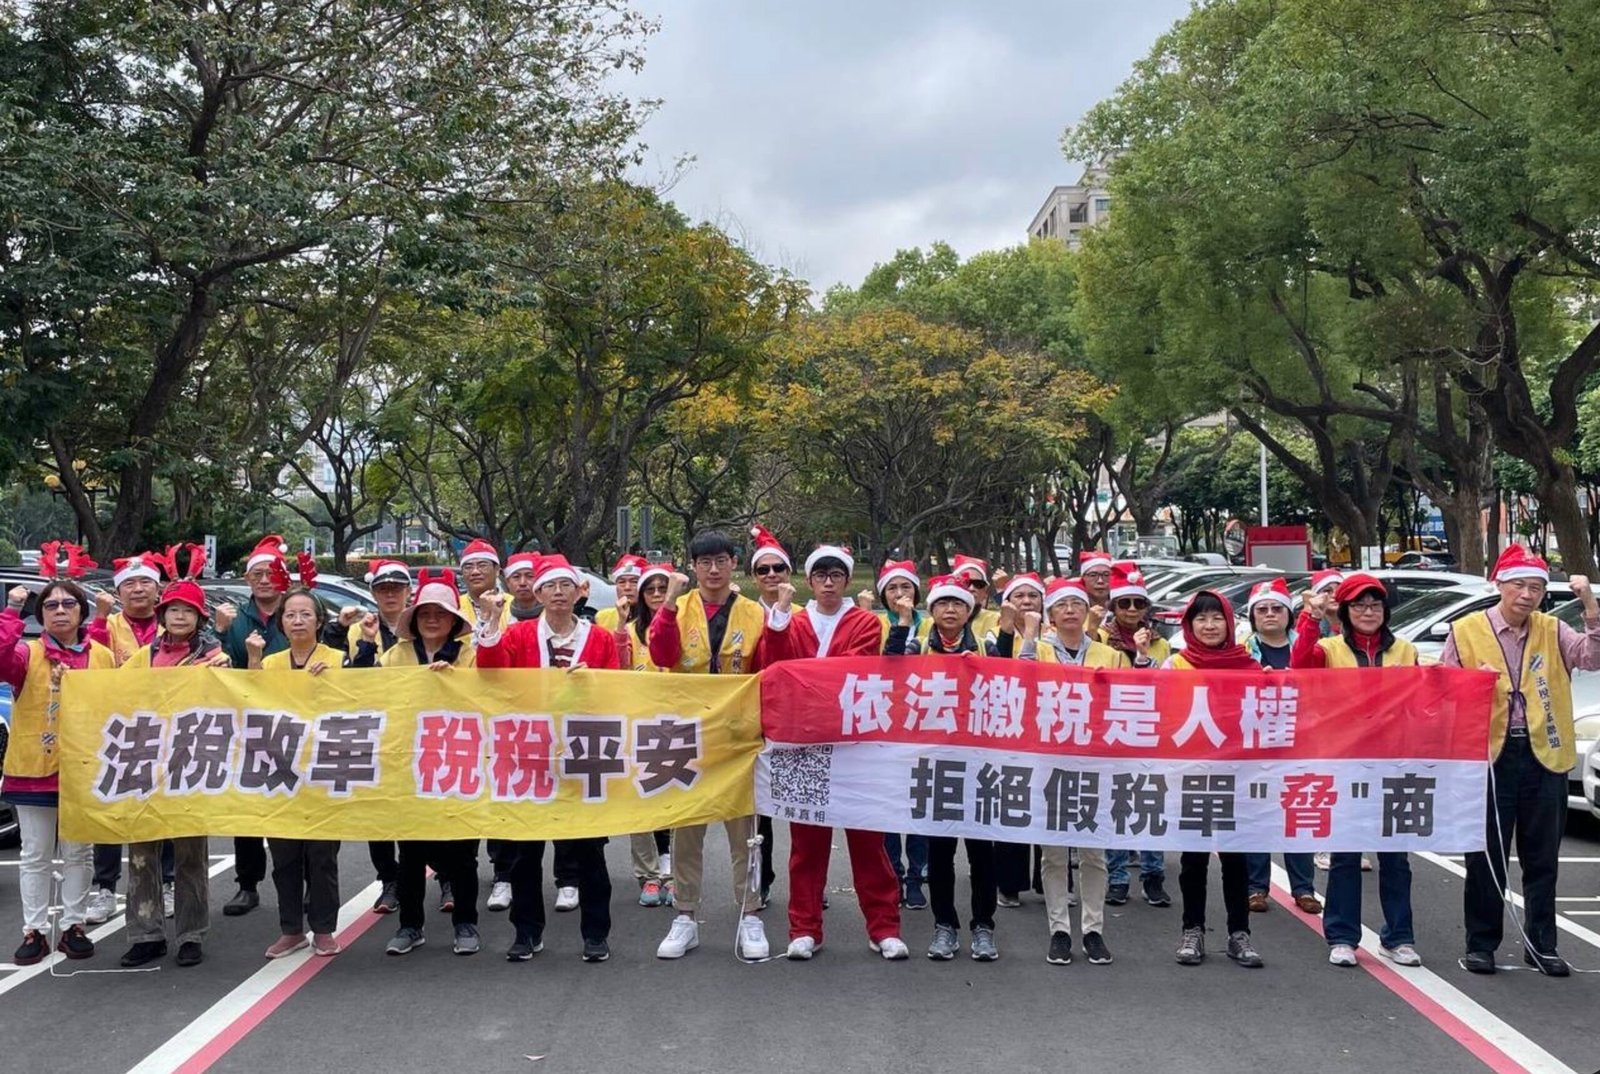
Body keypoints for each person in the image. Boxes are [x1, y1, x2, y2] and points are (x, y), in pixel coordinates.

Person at [1443, 545, 1600, 977]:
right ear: (1500, 585)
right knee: (1487, 854)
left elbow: (1592, 657)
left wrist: (1589, 605)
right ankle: (1481, 944)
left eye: (1535, 588)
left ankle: (1541, 945)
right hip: (1489, 754)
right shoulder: (1466, 630)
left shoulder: (1552, 629)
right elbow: (1447, 693)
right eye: (1519, 586)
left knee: (1542, 856)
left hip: (1543, 754)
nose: (1527, 595)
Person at [759, 542, 909, 961]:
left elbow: (852, 670)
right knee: (807, 844)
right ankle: (804, 927)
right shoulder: (791, 620)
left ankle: (884, 928)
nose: (828, 582)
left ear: (846, 580)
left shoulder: (864, 622)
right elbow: (776, 668)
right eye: (821, 575)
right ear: (809, 580)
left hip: (854, 746)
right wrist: (780, 621)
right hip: (802, 745)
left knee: (868, 841)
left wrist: (806, 677)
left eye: (836, 575)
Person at [476, 554, 617, 963]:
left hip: (582, 752)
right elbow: (490, 670)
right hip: (529, 755)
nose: (558, 593)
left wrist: (591, 685)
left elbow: (615, 693)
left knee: (589, 851)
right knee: (524, 853)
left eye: (565, 586)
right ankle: (526, 931)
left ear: (579, 591)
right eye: (549, 587)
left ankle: (595, 932)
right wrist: (489, 621)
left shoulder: (599, 638)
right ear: (536, 594)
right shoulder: (519, 636)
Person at [646, 529, 769, 960]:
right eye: (704, 563)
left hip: (737, 737)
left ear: (733, 563)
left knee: (745, 834)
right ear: (693, 567)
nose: (713, 570)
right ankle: (684, 915)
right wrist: (667, 604)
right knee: (686, 830)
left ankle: (750, 914)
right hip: (687, 734)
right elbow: (661, 656)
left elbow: (768, 667)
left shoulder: (755, 613)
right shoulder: (678, 608)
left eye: (720, 561)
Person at [1291, 572, 1420, 968]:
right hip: (1342, 762)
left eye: (1376, 605)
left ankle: (1398, 937)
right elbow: (1300, 665)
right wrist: (1310, 618)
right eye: (1359, 605)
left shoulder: (1405, 650)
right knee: (1346, 855)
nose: (1368, 612)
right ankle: (1342, 936)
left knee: (1395, 857)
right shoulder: (1329, 649)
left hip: (1393, 763)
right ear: (1345, 611)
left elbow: (1426, 692)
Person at [364, 570, 487, 958]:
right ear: (414, 619)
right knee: (411, 852)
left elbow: (489, 700)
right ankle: (410, 926)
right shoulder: (395, 656)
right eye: (425, 613)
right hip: (409, 765)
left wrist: (455, 684)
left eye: (441, 613)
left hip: (459, 762)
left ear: (454, 620)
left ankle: (466, 922)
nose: (433, 619)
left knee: (463, 853)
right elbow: (377, 700)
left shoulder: (470, 656)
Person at [2, 551, 113, 967]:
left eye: (69, 604)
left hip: (83, 768)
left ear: (82, 611)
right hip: (33, 767)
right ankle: (33, 929)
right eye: (50, 605)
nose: (60, 611)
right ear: (41, 613)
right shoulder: (26, 653)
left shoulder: (99, 655)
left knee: (79, 853)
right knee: (34, 853)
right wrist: (12, 610)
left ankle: (73, 925)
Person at [886, 574, 1000, 961]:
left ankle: (984, 926)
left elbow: (1009, 691)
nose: (950, 610)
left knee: (982, 852)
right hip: (933, 765)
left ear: (970, 611)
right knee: (940, 852)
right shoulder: (918, 646)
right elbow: (889, 673)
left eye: (958, 604)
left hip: (980, 766)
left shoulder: (985, 646)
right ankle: (944, 925)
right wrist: (902, 625)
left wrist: (984, 666)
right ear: (930, 610)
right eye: (942, 604)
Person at [117, 579, 229, 967]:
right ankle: (145, 933)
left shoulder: (213, 655)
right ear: (162, 614)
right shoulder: (143, 656)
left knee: (190, 856)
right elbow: (114, 692)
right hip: (145, 761)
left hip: (192, 764)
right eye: (173, 609)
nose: (179, 616)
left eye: (188, 610)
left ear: (199, 617)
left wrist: (224, 670)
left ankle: (191, 933)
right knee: (142, 854)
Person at [1017, 577, 1125, 967]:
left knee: (1094, 854)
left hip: (1095, 761)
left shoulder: (1107, 654)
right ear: (1050, 614)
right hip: (1050, 761)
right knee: (1054, 855)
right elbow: (1022, 681)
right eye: (1061, 605)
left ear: (1086, 611)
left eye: (1076, 604)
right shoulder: (1039, 649)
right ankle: (1059, 930)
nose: (1069, 611)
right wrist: (1029, 634)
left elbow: (1128, 696)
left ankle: (1093, 930)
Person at [1165, 590, 1264, 969]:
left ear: (1229, 622)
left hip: (1237, 777)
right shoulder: (1175, 666)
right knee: (1193, 858)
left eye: (1216, 618)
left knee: (1237, 858)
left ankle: (1240, 934)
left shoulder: (1249, 667)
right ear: (1190, 626)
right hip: (1192, 775)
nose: (1209, 625)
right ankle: (1193, 930)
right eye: (1201, 619)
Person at [250, 574, 346, 959]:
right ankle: (291, 928)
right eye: (291, 615)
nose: (299, 621)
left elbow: (358, 704)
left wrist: (334, 682)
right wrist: (253, 662)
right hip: (281, 771)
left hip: (324, 770)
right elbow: (248, 706)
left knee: (322, 856)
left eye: (306, 614)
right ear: (281, 622)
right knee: (284, 856)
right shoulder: (270, 662)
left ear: (319, 621)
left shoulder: (338, 659)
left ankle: (323, 928)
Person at [84, 549, 182, 926]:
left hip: (165, 730)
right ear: (118, 592)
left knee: (166, 807)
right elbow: (91, 664)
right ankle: (105, 887)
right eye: (130, 584)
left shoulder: (171, 622)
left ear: (158, 592)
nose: (138, 590)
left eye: (145, 583)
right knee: (111, 808)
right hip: (116, 730)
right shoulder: (105, 625)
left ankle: (168, 881)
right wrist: (96, 617)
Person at [214, 534, 292, 917]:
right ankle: (247, 884)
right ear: (247, 580)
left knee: (294, 806)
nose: (264, 580)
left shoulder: (299, 610)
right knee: (247, 807)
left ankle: (297, 884)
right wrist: (217, 632)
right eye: (256, 574)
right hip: (246, 724)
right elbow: (220, 666)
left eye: (271, 572)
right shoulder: (233, 619)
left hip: (294, 722)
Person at [329, 558, 411, 915]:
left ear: (408, 592)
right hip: (374, 731)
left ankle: (445, 878)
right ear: (373, 593)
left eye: (397, 588)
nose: (390, 595)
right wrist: (354, 637)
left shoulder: (426, 621)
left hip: (416, 731)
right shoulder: (360, 629)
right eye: (383, 589)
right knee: (378, 813)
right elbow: (348, 677)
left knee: (424, 809)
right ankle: (389, 880)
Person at [1239, 578, 1322, 915]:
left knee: (1298, 812)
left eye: (1277, 608)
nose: (1270, 614)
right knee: (1258, 815)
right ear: (1253, 616)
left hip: (1301, 743)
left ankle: (1303, 887)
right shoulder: (1242, 651)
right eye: (1263, 610)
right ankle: (1255, 887)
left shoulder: (1312, 646)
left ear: (1289, 614)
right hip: (1256, 745)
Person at [1099, 561, 1170, 907]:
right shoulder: (1098, 639)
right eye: (1123, 603)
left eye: (1138, 604)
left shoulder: (1161, 644)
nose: (1130, 610)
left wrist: (1144, 656)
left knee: (1150, 803)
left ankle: (1154, 875)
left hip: (1149, 731)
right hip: (1111, 730)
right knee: (1116, 805)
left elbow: (1166, 686)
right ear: (1112, 607)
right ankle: (1117, 877)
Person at [615, 561, 675, 908]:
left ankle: (675, 874)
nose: (655, 595)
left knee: (678, 801)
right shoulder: (631, 628)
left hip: (676, 724)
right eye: (649, 590)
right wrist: (622, 624)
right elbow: (618, 669)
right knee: (641, 802)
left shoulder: (684, 624)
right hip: (638, 724)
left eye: (662, 589)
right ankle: (648, 875)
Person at [872, 560, 930, 910]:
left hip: (925, 726)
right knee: (889, 807)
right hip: (885, 724)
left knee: (919, 806)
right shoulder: (874, 624)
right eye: (892, 589)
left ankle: (916, 875)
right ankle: (892, 872)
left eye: (905, 588)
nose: (899, 595)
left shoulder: (934, 624)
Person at [743, 523, 791, 901]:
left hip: (795, 722)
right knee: (759, 809)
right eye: (764, 570)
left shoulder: (805, 615)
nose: (772, 575)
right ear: (754, 576)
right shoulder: (743, 615)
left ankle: (812, 884)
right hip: (752, 721)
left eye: (779, 569)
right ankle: (761, 879)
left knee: (804, 805)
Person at [951, 554, 1001, 641]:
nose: (972, 588)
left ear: (985, 592)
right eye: (965, 582)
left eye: (978, 584)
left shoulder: (996, 620)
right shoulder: (933, 622)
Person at [593, 553, 647, 631]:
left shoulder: (655, 618)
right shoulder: (601, 618)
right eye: (622, 582)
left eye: (634, 582)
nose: (627, 587)